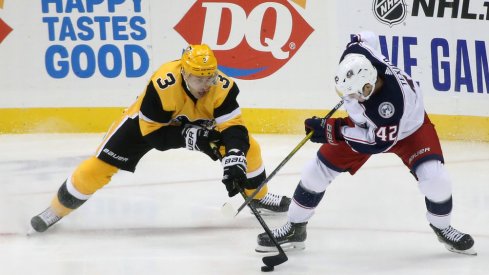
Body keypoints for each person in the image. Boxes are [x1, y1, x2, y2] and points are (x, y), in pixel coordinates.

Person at [255, 31, 476, 256]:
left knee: (436, 179)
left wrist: (332, 129)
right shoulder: (357, 55)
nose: (348, 99)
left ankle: (442, 226)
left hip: (410, 129)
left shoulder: (390, 104)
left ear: (369, 87)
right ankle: (295, 227)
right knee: (316, 171)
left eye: (353, 95)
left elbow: (375, 142)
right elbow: (366, 37)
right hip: (369, 126)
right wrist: (358, 38)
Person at [30, 44, 291, 233]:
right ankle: (56, 210)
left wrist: (234, 159)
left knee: (248, 148)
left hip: (197, 120)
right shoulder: (161, 86)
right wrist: (196, 139)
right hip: (149, 124)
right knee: (97, 168)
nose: (205, 84)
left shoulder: (222, 88)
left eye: (209, 77)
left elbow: (234, 129)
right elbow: (154, 136)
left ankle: (256, 195)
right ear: (183, 74)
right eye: (197, 78)